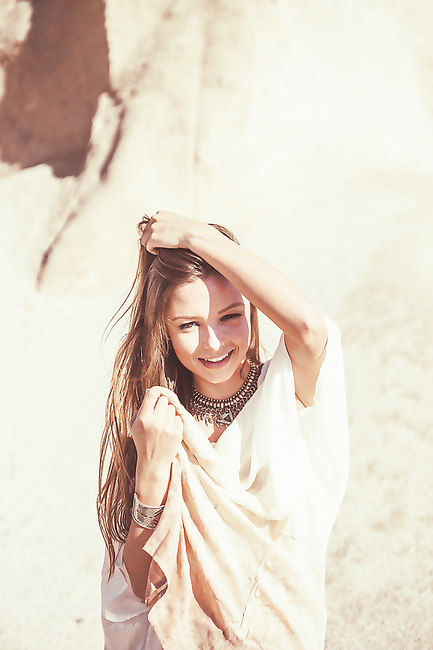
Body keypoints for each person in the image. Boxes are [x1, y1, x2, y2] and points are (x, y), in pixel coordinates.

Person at [97, 211, 349, 650]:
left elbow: (309, 327)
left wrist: (198, 237)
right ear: (164, 330)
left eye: (230, 316)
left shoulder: (286, 390)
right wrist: (152, 470)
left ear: (252, 307)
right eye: (188, 325)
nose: (213, 342)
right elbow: (140, 583)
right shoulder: (159, 421)